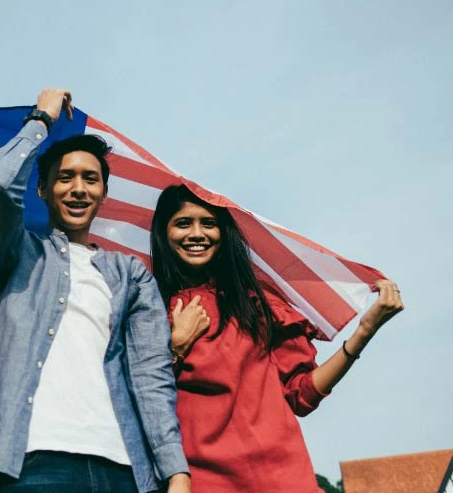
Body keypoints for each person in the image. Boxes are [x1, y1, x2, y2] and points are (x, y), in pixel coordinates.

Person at [0, 89, 191, 493]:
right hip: (33, 462)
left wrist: (176, 470)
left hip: (123, 467)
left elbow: (150, 374)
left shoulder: (130, 274)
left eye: (90, 179)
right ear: (42, 190)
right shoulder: (18, 254)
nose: (79, 188)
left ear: (103, 192)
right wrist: (41, 119)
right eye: (65, 178)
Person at [149, 184, 405, 492]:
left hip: (281, 477)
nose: (197, 234)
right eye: (183, 223)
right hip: (200, 481)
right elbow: (142, 399)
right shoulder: (146, 311)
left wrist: (365, 330)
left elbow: (302, 394)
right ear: (163, 232)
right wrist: (175, 346)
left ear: (224, 232)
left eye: (208, 223)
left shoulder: (257, 302)